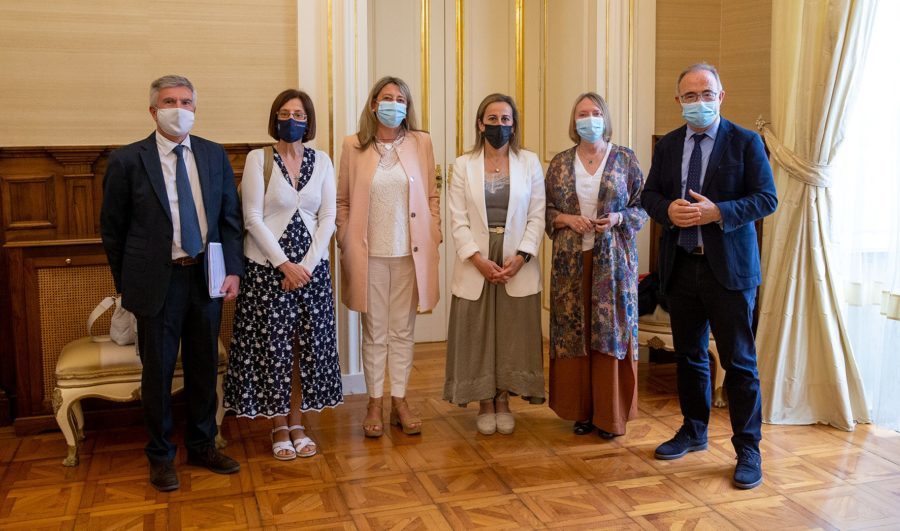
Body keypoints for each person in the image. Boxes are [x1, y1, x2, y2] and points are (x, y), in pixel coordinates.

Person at [100, 75, 244, 492]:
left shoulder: (214, 155)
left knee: (203, 368)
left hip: (205, 277)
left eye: (185, 101)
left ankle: (202, 445)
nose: (178, 108)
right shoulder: (128, 160)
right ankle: (161, 456)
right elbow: (112, 229)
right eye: (169, 101)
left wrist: (232, 269)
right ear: (153, 111)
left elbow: (229, 220)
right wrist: (128, 284)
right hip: (156, 283)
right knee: (158, 373)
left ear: (195, 108)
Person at [641, 63, 777, 489]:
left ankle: (748, 449)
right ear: (678, 101)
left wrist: (718, 211)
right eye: (689, 96)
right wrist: (668, 210)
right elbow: (649, 195)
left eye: (706, 94)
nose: (698, 102)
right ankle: (694, 430)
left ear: (721, 96)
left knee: (740, 363)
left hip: (730, 272)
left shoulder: (746, 142)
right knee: (689, 356)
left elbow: (767, 198)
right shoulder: (668, 145)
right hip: (681, 266)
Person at [222, 89, 343, 460]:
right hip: (267, 271)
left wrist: (305, 266)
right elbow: (252, 217)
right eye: (285, 113)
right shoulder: (258, 159)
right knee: (274, 350)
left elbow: (328, 216)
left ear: (309, 121)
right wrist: (284, 265)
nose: (292, 120)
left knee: (303, 350)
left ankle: (298, 423)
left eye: (300, 115)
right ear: (275, 118)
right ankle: (278, 426)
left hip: (312, 273)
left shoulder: (322, 161)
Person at [336, 76, 441, 438]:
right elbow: (343, 200)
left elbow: (432, 195)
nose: (394, 104)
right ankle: (374, 402)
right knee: (374, 332)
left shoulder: (420, 142)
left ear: (407, 107)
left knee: (402, 331)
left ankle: (400, 400)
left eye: (400, 99)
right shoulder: (353, 145)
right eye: (387, 98)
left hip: (410, 253)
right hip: (369, 255)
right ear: (373, 104)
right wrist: (345, 237)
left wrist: (434, 231)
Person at [545, 92, 647, 439]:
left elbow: (643, 206)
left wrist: (618, 217)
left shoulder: (625, 158)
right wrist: (566, 219)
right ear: (574, 122)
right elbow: (545, 210)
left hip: (613, 263)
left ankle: (610, 415)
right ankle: (582, 411)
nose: (589, 119)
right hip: (570, 263)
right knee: (575, 332)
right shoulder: (560, 162)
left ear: (605, 118)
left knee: (610, 332)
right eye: (582, 114)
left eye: (595, 112)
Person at [444, 93, 546, 435]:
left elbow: (537, 214)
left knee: (512, 333)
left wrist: (522, 256)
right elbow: (457, 219)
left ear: (513, 126)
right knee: (477, 333)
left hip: (517, 259)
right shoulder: (462, 165)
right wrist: (478, 259)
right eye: (492, 119)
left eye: (505, 119)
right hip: (477, 260)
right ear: (480, 124)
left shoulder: (530, 162)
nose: (499, 125)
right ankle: (484, 401)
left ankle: (503, 400)